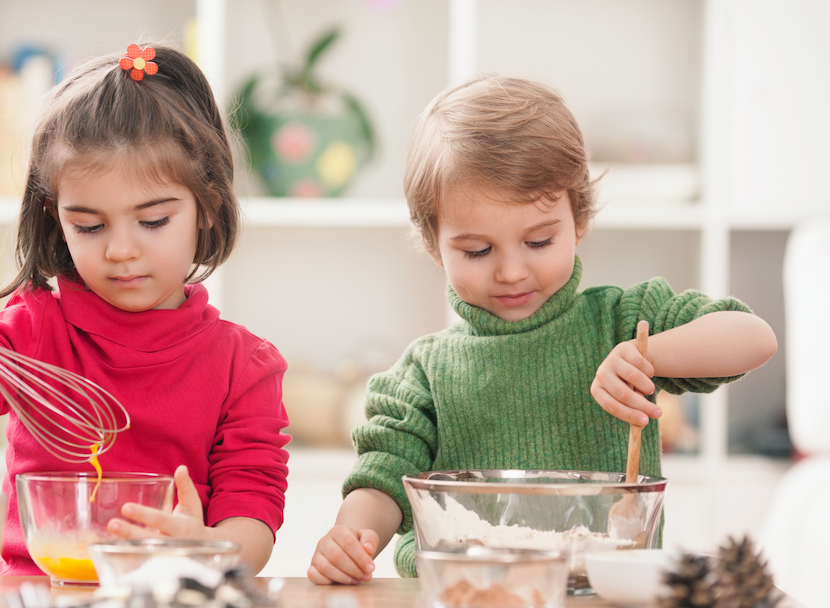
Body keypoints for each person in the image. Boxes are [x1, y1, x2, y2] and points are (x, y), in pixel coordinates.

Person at [307, 74, 778, 584]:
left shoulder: (622, 322)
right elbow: (381, 482)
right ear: (432, 244)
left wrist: (652, 356)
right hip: (464, 594)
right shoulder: (420, 375)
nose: (511, 271)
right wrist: (352, 537)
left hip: (599, 592)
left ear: (578, 220)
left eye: (538, 242)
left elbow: (753, 338)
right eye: (477, 251)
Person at [0, 44, 290, 576]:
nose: (120, 250)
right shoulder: (31, 331)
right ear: (57, 218)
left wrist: (211, 550)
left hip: (159, 591)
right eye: (90, 226)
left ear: (208, 205)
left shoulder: (245, 366)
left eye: (152, 221)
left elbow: (253, 512)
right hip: (30, 589)